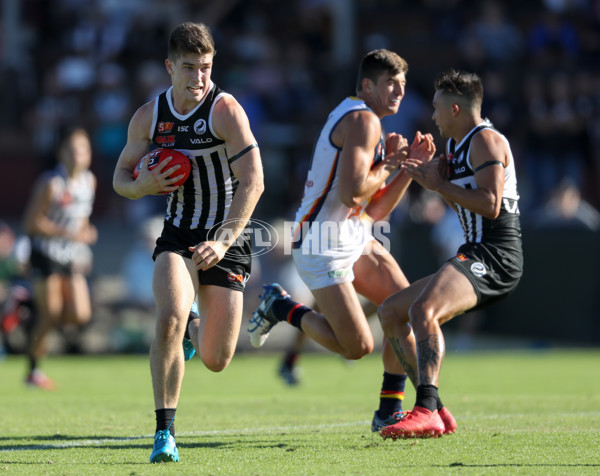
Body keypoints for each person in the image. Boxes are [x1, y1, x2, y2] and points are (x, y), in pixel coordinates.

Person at [248, 49, 452, 433]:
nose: (398, 91)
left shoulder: (363, 119)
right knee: (356, 347)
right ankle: (281, 307)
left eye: (403, 85)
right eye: (390, 83)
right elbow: (352, 194)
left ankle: (389, 410)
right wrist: (391, 164)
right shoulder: (362, 119)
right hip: (321, 242)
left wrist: (406, 170)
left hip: (351, 234)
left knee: (403, 312)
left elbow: (373, 212)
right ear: (366, 86)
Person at [112, 22, 264, 463]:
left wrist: (223, 239)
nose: (199, 78)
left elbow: (254, 182)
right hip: (178, 233)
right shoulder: (149, 116)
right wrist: (140, 188)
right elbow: (122, 176)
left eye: (206, 68)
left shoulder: (225, 111)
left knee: (217, 359)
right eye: (189, 68)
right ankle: (165, 433)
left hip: (226, 237)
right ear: (169, 67)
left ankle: (197, 326)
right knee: (169, 318)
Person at [377, 69, 523, 439]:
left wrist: (439, 183)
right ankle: (436, 408)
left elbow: (490, 205)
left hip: (495, 254)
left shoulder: (486, 141)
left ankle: (424, 407)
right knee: (391, 311)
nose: (433, 116)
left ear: (456, 108)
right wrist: (431, 179)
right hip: (475, 250)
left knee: (423, 311)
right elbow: (466, 201)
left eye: (437, 108)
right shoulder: (457, 147)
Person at [22, 127, 97, 390]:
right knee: (51, 312)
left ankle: (29, 315)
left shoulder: (89, 182)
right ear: (61, 153)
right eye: (72, 149)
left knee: (80, 314)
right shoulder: (50, 183)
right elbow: (30, 223)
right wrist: (66, 231)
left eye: (83, 149)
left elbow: (82, 219)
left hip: (69, 254)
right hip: (45, 252)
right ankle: (33, 370)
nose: (78, 155)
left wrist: (87, 234)